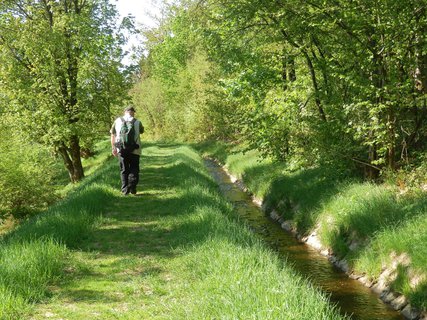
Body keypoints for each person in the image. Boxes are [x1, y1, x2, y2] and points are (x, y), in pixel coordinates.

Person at [110, 106, 144, 195]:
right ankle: (132, 187)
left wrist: (113, 148)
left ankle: (125, 190)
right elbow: (141, 131)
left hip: (121, 149)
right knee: (134, 169)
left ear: (125, 112)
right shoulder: (138, 122)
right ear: (133, 112)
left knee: (124, 170)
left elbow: (113, 135)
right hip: (135, 149)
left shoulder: (117, 121)